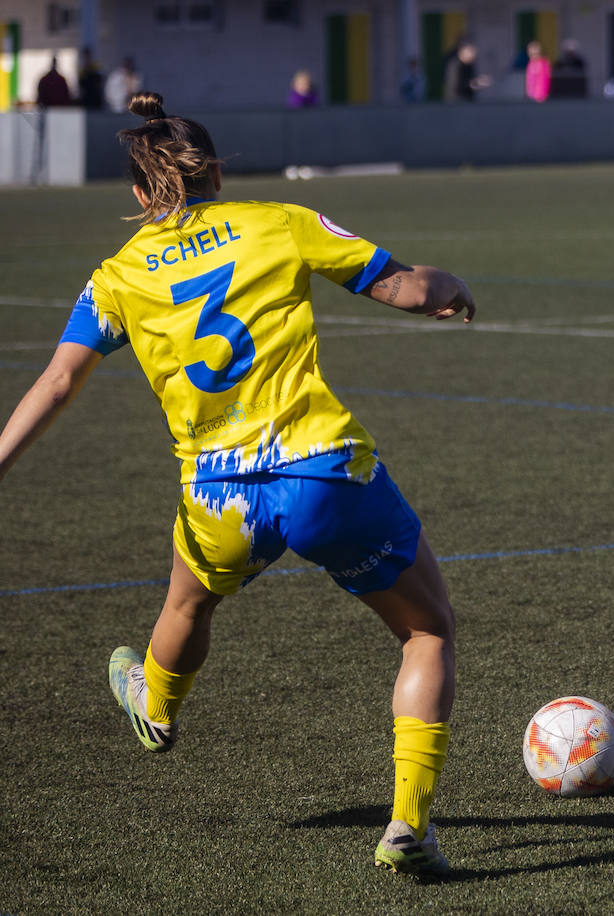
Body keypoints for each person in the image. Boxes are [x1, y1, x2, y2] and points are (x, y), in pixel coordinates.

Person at [0, 91, 477, 876]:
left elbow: (56, 382)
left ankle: (155, 705)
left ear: (136, 193)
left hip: (219, 494)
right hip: (324, 472)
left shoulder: (116, 276)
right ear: (216, 171)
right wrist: (447, 283)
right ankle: (408, 828)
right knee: (428, 632)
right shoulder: (280, 220)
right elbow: (410, 289)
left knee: (188, 601)